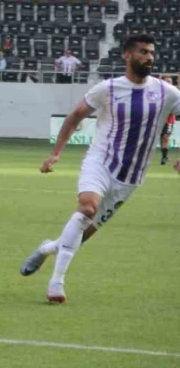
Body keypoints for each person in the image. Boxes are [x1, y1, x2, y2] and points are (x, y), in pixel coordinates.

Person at [20, 35, 180, 304]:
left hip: (131, 177)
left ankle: (49, 247)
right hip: (100, 162)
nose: (149, 57)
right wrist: (56, 153)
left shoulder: (167, 92)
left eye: (151, 52)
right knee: (86, 208)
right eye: (142, 52)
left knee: (82, 235)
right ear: (127, 56)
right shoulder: (108, 89)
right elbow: (74, 117)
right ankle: (56, 283)